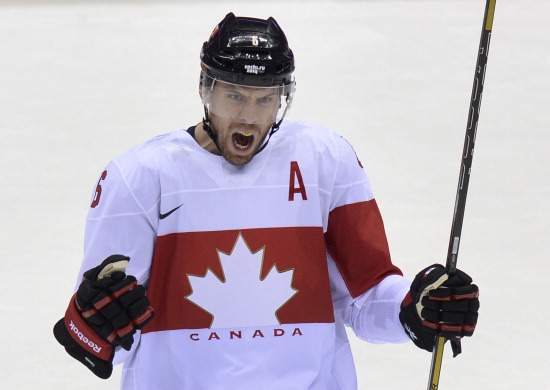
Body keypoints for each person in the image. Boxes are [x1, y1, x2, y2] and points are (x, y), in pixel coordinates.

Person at [53, 12, 479, 390]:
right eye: (234, 95)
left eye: (265, 98)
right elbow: (105, 331)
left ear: (283, 98)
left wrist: (413, 310)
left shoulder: (325, 160)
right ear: (204, 87)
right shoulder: (139, 177)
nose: (249, 116)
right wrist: (93, 326)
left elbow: (366, 297)